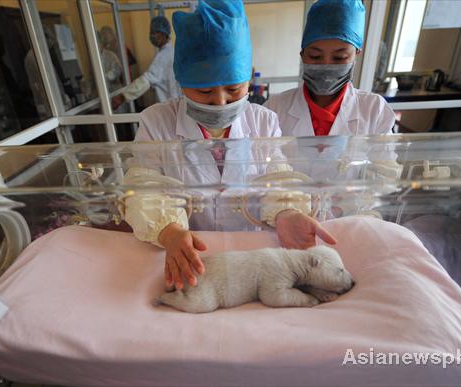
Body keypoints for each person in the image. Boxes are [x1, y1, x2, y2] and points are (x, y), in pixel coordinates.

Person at [122, 0, 336, 291]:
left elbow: (279, 179)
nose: (220, 102)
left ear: (248, 80)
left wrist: (287, 213)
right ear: (181, 82)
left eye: (234, 89)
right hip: (187, 251)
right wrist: (168, 231)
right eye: (205, 91)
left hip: (250, 250)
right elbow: (144, 186)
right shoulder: (157, 122)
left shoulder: (263, 122)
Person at [264, 0, 395, 137]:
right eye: (315, 56)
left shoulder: (374, 110)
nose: (326, 66)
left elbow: (385, 158)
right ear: (302, 55)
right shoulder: (274, 108)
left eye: (339, 57)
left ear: (356, 55)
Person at [112, 16, 180, 108]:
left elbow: (146, 80)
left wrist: (122, 97)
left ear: (164, 34)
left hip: (170, 106)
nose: (151, 36)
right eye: (151, 33)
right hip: (175, 105)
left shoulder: (163, 56)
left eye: (154, 32)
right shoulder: (172, 52)